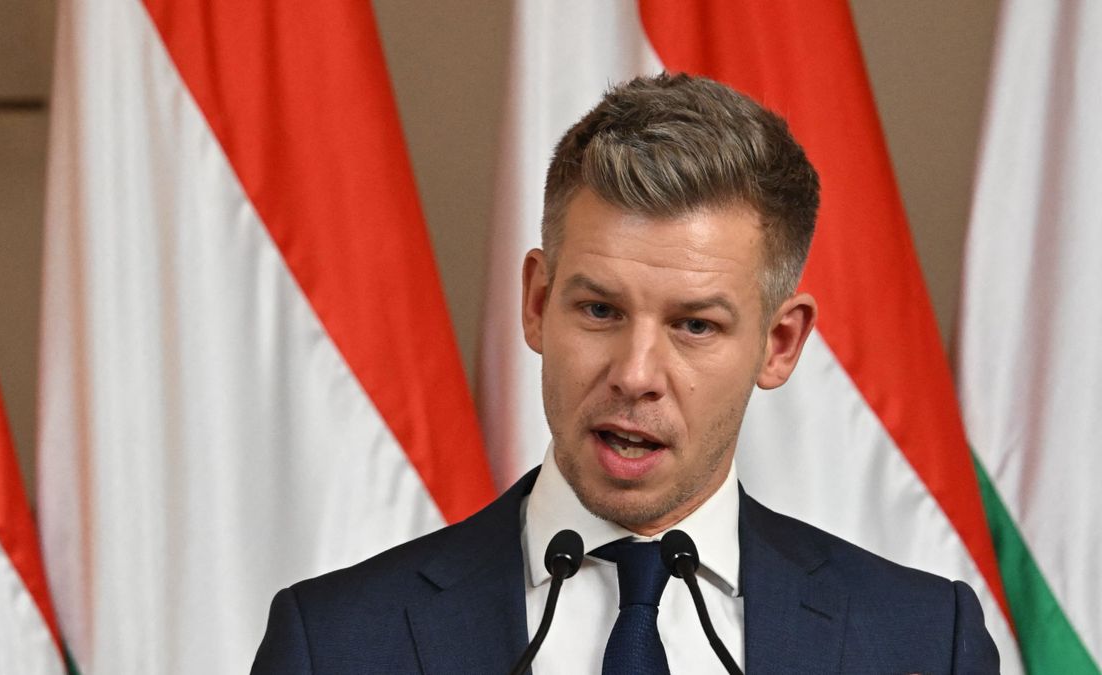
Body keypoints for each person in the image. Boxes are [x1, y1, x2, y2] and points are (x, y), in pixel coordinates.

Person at [251, 73, 1000, 674]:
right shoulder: (336, 642)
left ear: (780, 342)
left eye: (694, 325)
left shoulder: (926, 643)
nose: (636, 374)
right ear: (539, 303)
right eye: (601, 310)